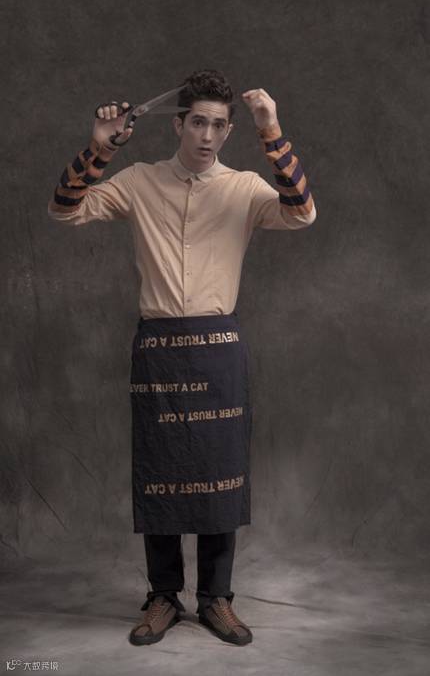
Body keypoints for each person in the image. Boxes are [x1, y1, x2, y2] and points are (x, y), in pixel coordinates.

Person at [47, 69, 317, 647]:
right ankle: (163, 596)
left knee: (221, 477)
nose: (207, 135)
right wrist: (100, 148)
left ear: (228, 130)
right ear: (178, 124)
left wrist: (271, 131)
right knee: (162, 475)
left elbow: (301, 212)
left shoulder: (244, 187)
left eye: (219, 125)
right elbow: (65, 209)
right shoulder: (139, 180)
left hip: (219, 349)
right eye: (198, 122)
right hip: (159, 348)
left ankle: (217, 598)